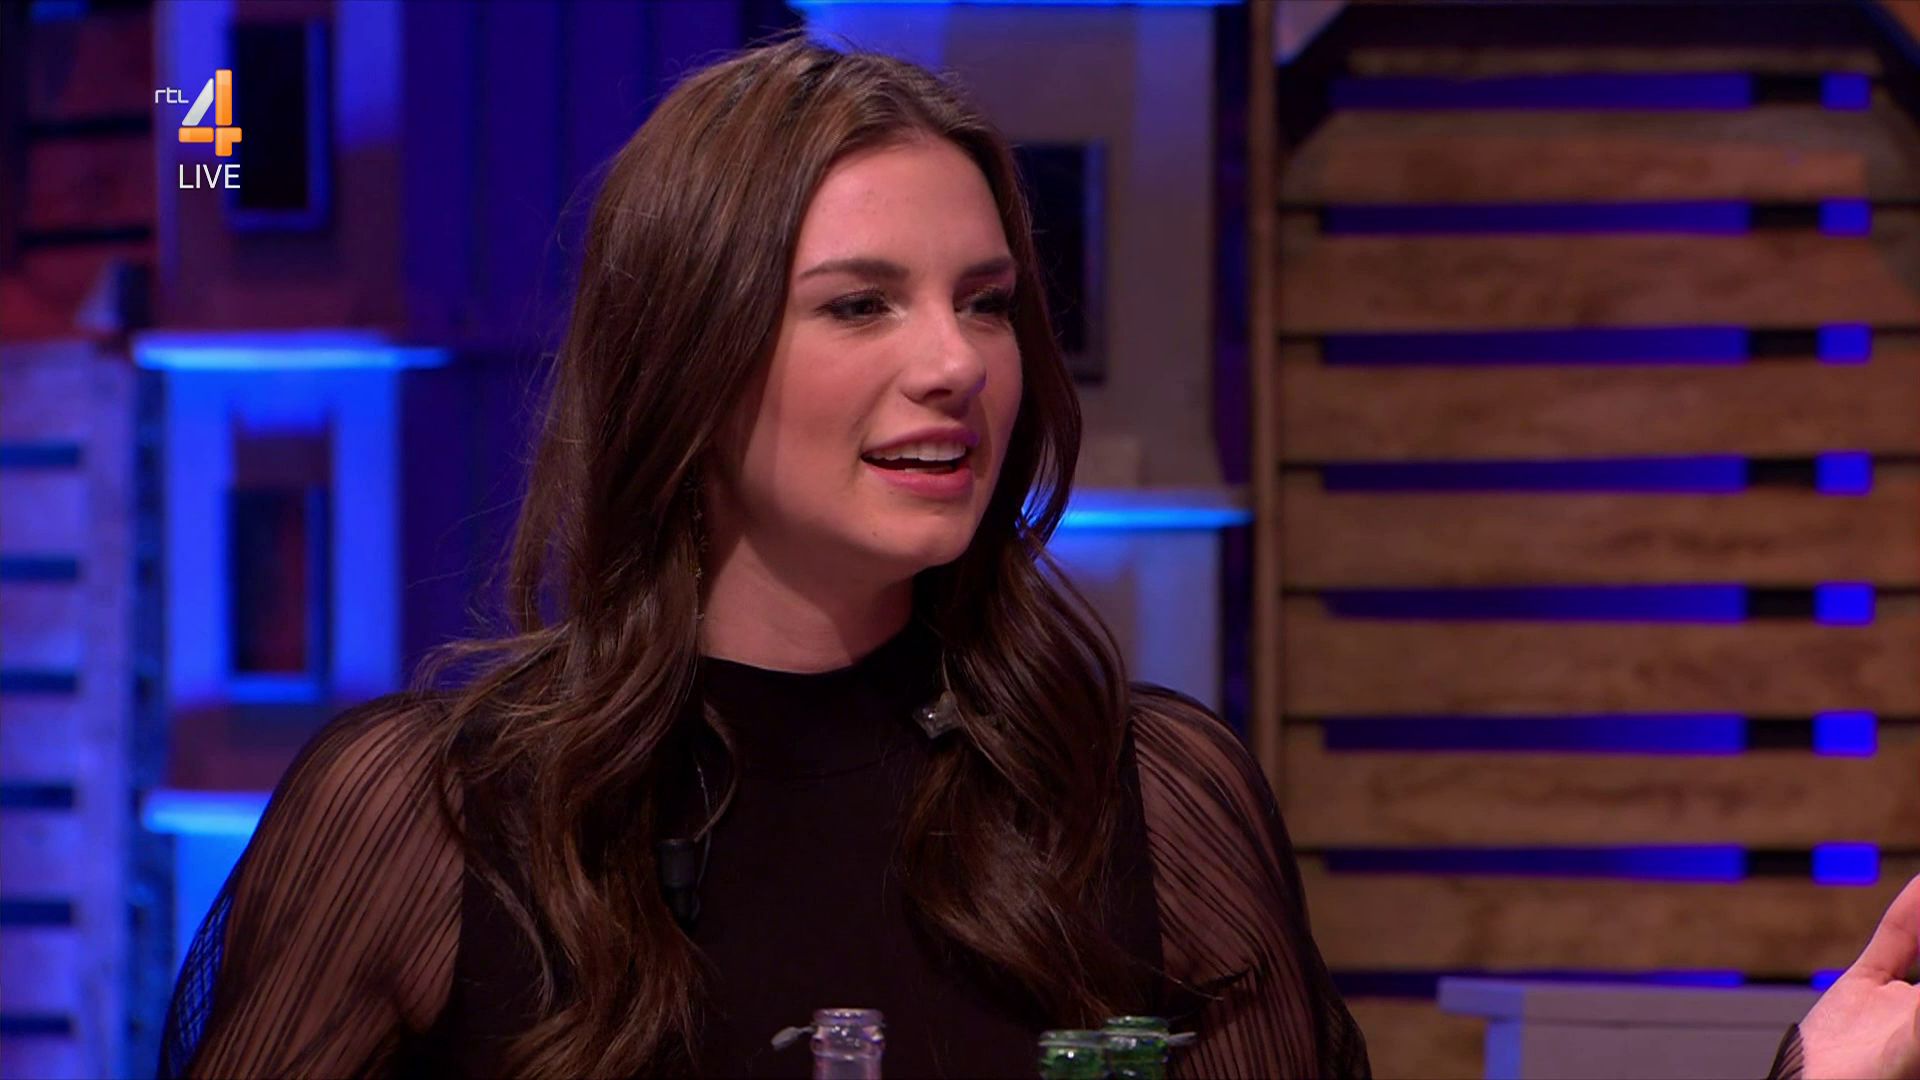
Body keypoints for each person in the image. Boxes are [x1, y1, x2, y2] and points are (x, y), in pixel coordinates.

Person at [155, 35, 1917, 1079]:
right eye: (862, 304)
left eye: (988, 301)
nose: (957, 364)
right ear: (684, 357)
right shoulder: (431, 819)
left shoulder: (1145, 799)